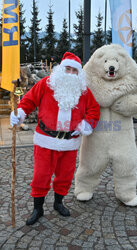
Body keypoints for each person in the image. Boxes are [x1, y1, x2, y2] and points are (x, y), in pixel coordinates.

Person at [10, 52, 100, 225]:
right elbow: (29, 100)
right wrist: (20, 113)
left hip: (70, 143)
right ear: (61, 69)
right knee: (41, 175)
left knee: (65, 176)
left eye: (75, 71)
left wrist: (85, 125)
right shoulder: (46, 84)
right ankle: (38, 208)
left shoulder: (83, 91)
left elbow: (94, 111)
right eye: (68, 69)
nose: (71, 73)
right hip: (45, 140)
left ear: (78, 74)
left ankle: (58, 203)